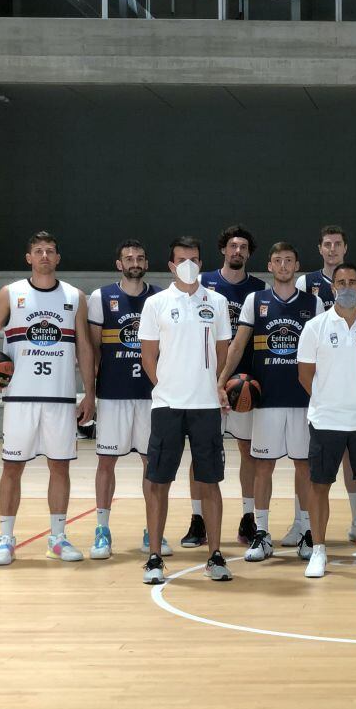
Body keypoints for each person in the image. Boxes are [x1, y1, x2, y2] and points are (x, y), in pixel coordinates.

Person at [0, 231, 95, 566]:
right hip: (20, 399)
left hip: (60, 399)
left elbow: (85, 349)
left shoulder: (75, 297)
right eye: (38, 251)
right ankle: (5, 539)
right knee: (12, 467)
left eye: (50, 251)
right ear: (28, 258)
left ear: (58, 258)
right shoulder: (11, 294)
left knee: (60, 467)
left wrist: (89, 393)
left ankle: (57, 538)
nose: (45, 255)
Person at [217, 242, 323, 564]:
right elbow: (238, 344)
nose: (283, 265)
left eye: (289, 260)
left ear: (297, 265)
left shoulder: (313, 303)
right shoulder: (256, 300)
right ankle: (262, 534)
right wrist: (221, 381)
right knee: (264, 466)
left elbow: (322, 352)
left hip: (303, 399)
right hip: (266, 401)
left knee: (304, 467)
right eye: (277, 260)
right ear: (270, 265)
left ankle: (306, 530)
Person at [138, 237, 233, 584]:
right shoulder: (156, 303)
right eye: (182, 259)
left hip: (207, 406)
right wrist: (165, 385)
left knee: (209, 482)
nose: (188, 264)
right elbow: (148, 356)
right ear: (171, 265)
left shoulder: (217, 302)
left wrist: (212, 383)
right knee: (159, 482)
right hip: (167, 406)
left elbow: (223, 352)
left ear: (201, 262)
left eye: (194, 258)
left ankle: (215, 556)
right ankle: (154, 558)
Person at [297, 264, 356, 578]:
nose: (347, 287)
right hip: (326, 420)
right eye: (341, 282)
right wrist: (330, 399)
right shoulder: (315, 326)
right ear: (332, 287)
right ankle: (319, 551)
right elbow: (305, 375)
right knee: (320, 485)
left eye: (353, 282)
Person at [184, 225, 266, 549]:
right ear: (223, 250)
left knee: (248, 452)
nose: (237, 252)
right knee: (202, 453)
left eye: (243, 247)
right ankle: (198, 519)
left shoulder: (259, 289)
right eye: (232, 246)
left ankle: (248, 517)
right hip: (206, 384)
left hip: (244, 384)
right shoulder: (202, 284)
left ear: (249, 253)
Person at [86, 239, 163, 560]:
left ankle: (152, 531)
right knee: (106, 462)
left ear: (146, 263)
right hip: (113, 394)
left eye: (140, 257)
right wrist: (89, 393)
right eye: (129, 257)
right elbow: (91, 353)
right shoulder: (101, 298)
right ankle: (102, 530)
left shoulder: (159, 297)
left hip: (150, 397)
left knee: (152, 465)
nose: (135, 261)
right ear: (119, 264)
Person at [296, 224, 356, 545]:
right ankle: (302, 526)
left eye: (337, 244)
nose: (331, 249)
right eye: (326, 244)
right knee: (311, 463)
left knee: (353, 462)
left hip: (353, 381)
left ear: (345, 248)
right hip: (319, 379)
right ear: (319, 248)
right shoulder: (306, 282)